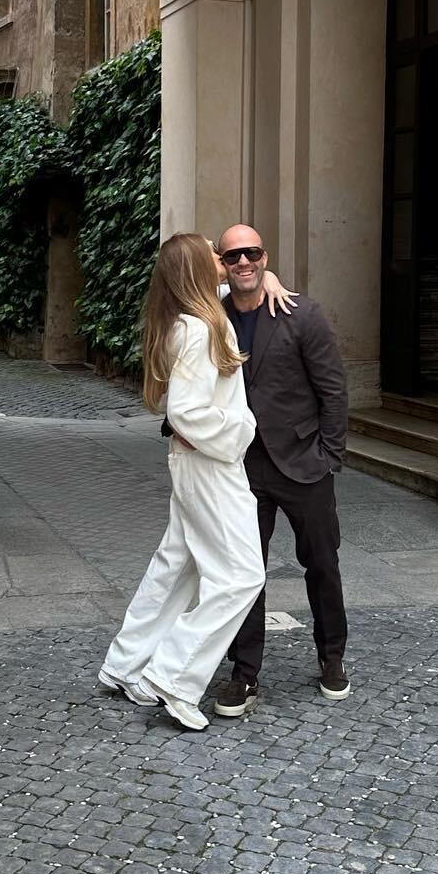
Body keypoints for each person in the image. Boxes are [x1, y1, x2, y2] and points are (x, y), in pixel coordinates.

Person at [98, 233, 266, 732]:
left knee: (178, 566)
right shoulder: (198, 329)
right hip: (212, 465)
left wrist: (270, 279)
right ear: (197, 267)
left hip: (196, 463)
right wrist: (242, 430)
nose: (223, 258)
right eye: (214, 252)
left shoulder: (188, 317)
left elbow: (235, 284)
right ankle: (173, 676)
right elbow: (187, 411)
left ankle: (127, 664)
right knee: (241, 576)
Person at [211, 222, 351, 717]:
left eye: (251, 254)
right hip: (243, 467)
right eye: (232, 256)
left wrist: (329, 455)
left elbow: (333, 389)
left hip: (305, 463)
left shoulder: (301, 314)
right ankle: (244, 673)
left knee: (323, 564)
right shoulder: (213, 315)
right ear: (222, 264)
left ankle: (331, 657)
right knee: (246, 571)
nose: (243, 262)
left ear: (265, 257)